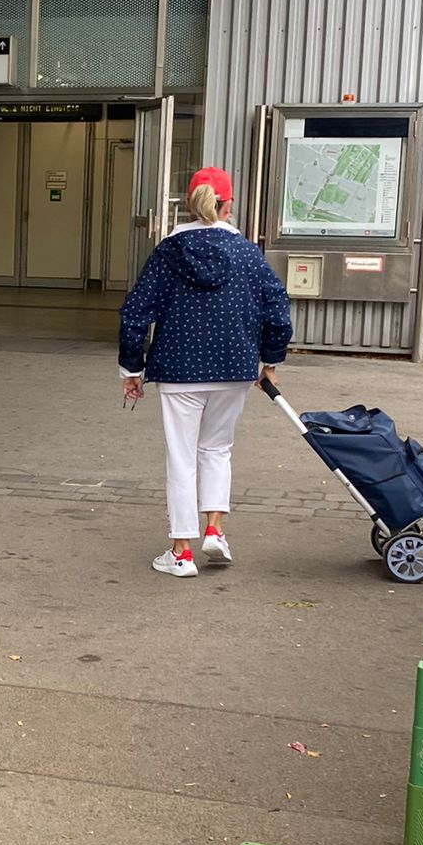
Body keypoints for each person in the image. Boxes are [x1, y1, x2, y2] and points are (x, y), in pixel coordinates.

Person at [118, 165, 293, 578]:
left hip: (178, 369)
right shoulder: (248, 253)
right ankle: (215, 529)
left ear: (190, 203)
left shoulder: (169, 251)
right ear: (228, 205)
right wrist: (270, 361)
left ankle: (181, 553)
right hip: (234, 367)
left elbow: (136, 313)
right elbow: (278, 310)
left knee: (182, 457)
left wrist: (132, 367)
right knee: (217, 450)